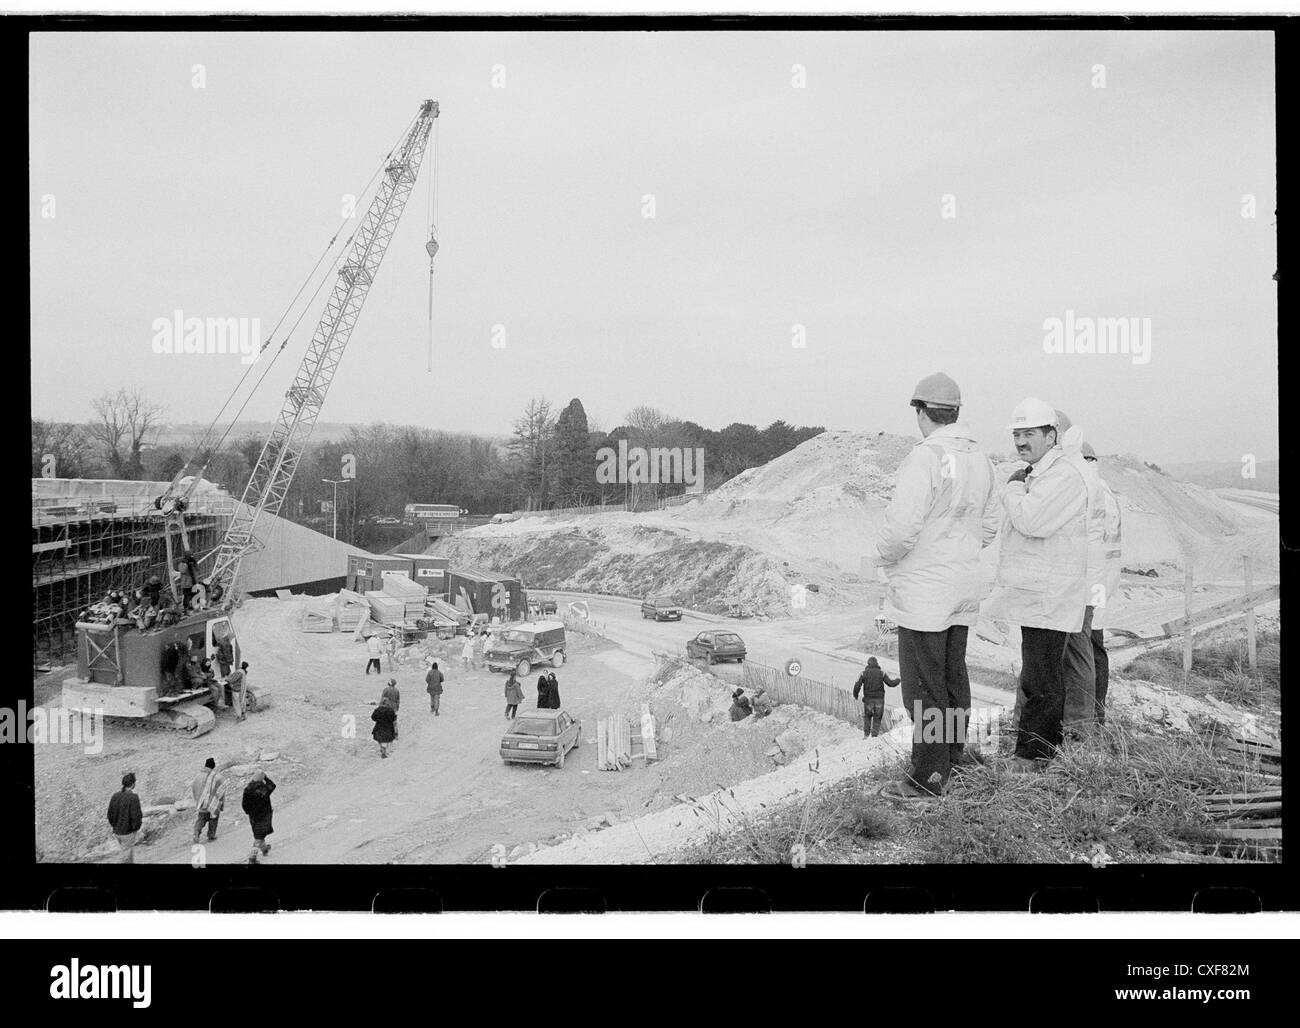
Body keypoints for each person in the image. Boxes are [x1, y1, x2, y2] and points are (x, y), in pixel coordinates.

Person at [869, 373, 1000, 799]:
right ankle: (952, 759)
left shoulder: (926, 457)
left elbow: (900, 530)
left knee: (924, 686)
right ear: (957, 412)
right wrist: (956, 549)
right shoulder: (980, 459)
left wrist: (888, 558)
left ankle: (928, 777)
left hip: (926, 594)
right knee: (952, 677)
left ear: (922, 412)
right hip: (963, 585)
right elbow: (991, 525)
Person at [982, 398, 1090, 770]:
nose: (1021, 441)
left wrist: (1012, 489)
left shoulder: (1063, 475)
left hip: (1050, 595)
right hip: (1039, 594)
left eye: (1029, 433)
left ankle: (1035, 756)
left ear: (1051, 435)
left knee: (1043, 678)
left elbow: (1032, 521)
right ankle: (1036, 748)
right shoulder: (1044, 472)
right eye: (1017, 434)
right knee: (1037, 673)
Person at [1081, 440, 1121, 725]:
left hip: (1091, 582)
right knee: (1094, 648)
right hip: (1103, 580)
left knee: (1088, 651)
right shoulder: (1104, 489)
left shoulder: (1092, 491)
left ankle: (1091, 717)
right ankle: (1095, 714)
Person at [853, 656, 900, 738]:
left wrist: (855, 695)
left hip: (868, 700)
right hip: (879, 700)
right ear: (877, 663)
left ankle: (866, 735)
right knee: (877, 717)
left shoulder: (863, 673)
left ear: (868, 664)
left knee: (867, 717)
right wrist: (898, 680)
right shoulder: (882, 673)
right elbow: (891, 683)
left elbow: (857, 685)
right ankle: (874, 736)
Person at [106, 772, 143, 863]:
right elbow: (136, 816)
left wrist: (114, 826)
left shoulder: (115, 796)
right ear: (133, 784)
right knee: (125, 857)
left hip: (117, 831)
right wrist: (135, 828)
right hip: (127, 832)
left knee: (128, 857)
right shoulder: (133, 797)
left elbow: (109, 814)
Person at [241, 771, 276, 863]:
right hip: (264, 816)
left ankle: (264, 849)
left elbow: (244, 804)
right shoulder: (264, 789)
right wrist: (266, 778)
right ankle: (252, 858)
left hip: (253, 817)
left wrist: (248, 812)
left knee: (259, 834)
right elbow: (272, 785)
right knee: (259, 837)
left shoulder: (247, 789)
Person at [191, 757, 227, 843]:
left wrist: (198, 800)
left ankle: (196, 833)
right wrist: (220, 802)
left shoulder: (198, 776)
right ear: (213, 766)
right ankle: (211, 835)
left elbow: (194, 788)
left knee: (201, 819)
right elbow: (221, 788)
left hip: (201, 802)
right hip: (212, 803)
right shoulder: (215, 776)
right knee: (213, 818)